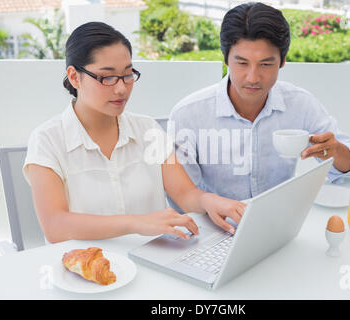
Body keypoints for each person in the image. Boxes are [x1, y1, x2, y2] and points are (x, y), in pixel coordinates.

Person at [23, 22, 246, 243]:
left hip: (153, 260)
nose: (121, 88)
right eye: (107, 77)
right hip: (83, 270)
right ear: (74, 77)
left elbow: (185, 194)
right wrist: (136, 223)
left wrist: (211, 201)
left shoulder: (148, 129)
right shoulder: (46, 140)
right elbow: (55, 227)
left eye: (128, 75)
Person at [167, 2, 350, 208]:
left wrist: (335, 152)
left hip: (278, 224)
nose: (253, 77)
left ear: (282, 61)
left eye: (265, 64)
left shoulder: (300, 104)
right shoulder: (188, 114)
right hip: (214, 227)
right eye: (242, 63)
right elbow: (180, 196)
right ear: (226, 58)